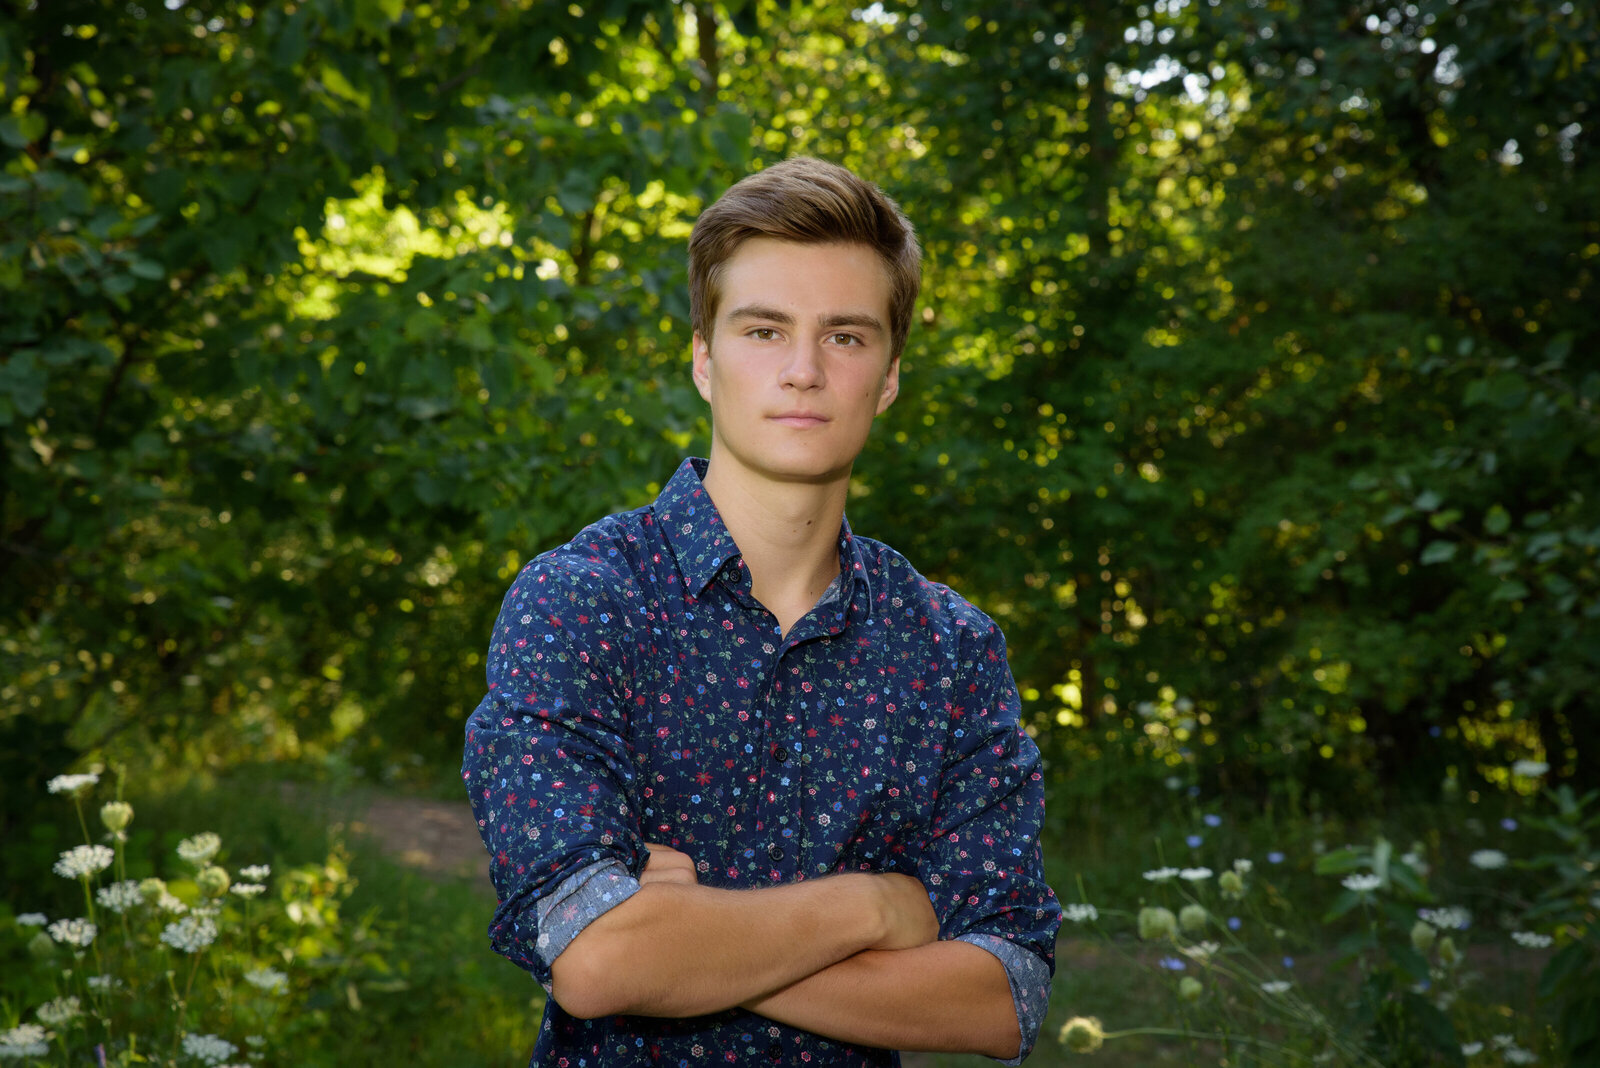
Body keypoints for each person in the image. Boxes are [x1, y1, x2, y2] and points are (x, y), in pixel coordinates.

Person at [462, 156, 1061, 1066]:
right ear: (705, 360)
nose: (804, 371)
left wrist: (681, 941)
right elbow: (591, 962)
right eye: (763, 330)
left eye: (847, 337)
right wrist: (873, 908)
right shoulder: (580, 602)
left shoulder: (950, 649)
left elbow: (1001, 998)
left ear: (890, 376)